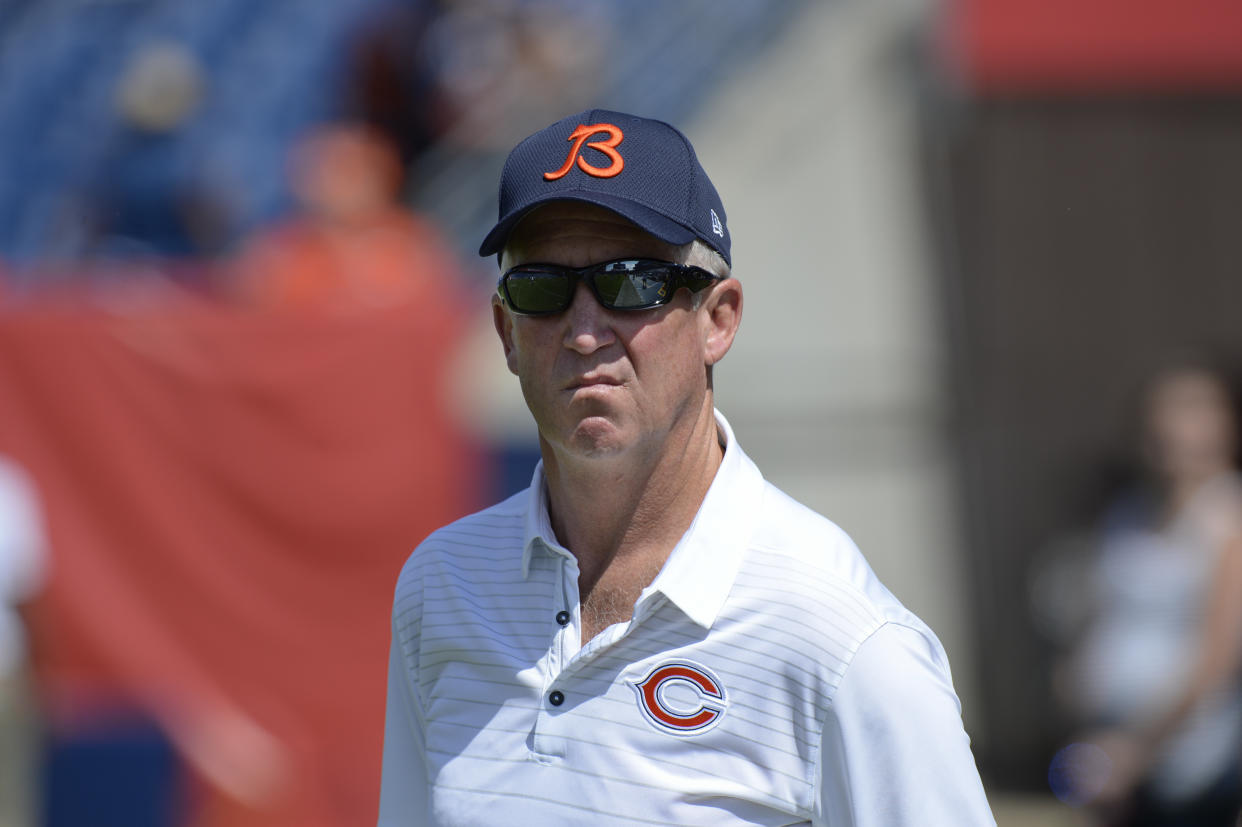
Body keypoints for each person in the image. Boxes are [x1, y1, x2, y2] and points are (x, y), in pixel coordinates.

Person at [378, 109, 994, 825]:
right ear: (505, 332)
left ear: (719, 319)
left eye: (631, 282)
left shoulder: (843, 638)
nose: (583, 330)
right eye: (543, 287)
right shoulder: (442, 586)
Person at [1056, 361, 1242, 826]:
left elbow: (1216, 661)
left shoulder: (1229, 516)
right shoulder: (1128, 512)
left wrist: (1137, 749)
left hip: (1192, 761)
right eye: (1161, 410)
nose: (1169, 425)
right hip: (1111, 750)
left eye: (1192, 409)